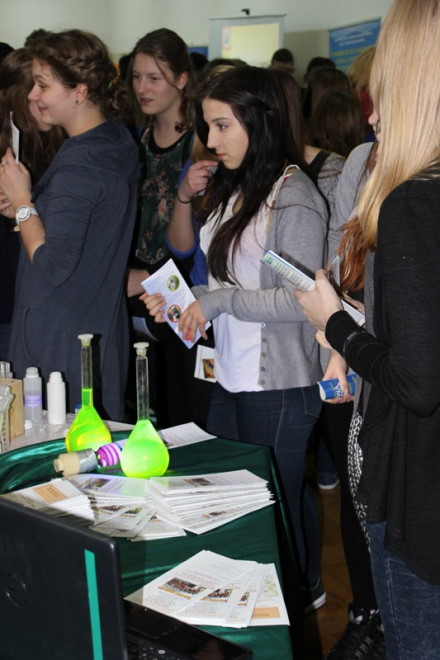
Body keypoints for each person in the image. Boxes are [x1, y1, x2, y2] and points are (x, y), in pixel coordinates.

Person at [143, 65, 329, 610]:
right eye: (208, 126)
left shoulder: (293, 196)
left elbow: (301, 300)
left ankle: (300, 599)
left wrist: (216, 301)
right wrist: (184, 302)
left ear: (259, 120)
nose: (212, 139)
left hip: (280, 383)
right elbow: (225, 281)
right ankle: (256, 599)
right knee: (238, 499)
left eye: (223, 125)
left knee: (277, 500)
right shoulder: (238, 187)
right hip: (230, 374)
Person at [295, 0, 440, 656]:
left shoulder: (413, 203)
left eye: (382, 91)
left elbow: (418, 380)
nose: (372, 114)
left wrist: (336, 327)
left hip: (420, 499)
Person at [0, 29, 139, 419]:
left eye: (42, 85)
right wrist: (30, 212)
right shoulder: (114, 141)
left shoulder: (81, 165)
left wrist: (24, 203)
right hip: (93, 328)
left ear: (79, 91)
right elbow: (88, 229)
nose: (32, 95)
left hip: (58, 340)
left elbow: (54, 264)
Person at [0, 47, 64, 360]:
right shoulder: (9, 150)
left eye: (46, 87)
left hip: (43, 300)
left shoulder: (63, 145)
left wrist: (23, 206)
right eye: (37, 88)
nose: (44, 98)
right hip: (9, 303)